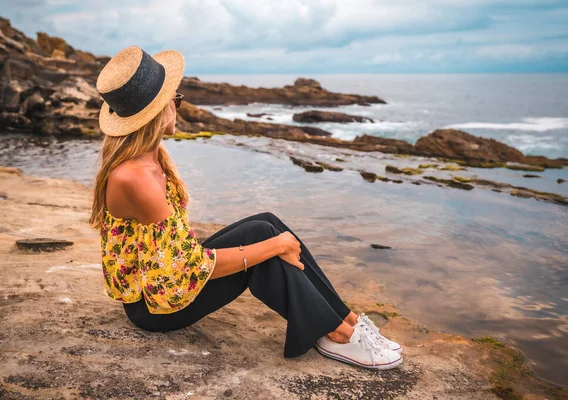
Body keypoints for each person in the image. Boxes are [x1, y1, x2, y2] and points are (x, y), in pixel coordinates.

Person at [88, 45, 403, 370]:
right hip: (153, 307)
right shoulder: (136, 178)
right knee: (264, 252)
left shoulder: (148, 157)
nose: (177, 105)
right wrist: (274, 247)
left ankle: (345, 318)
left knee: (266, 224)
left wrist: (273, 242)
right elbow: (182, 269)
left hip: (162, 282)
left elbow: (176, 255)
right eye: (176, 99)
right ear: (157, 111)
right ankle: (336, 334)